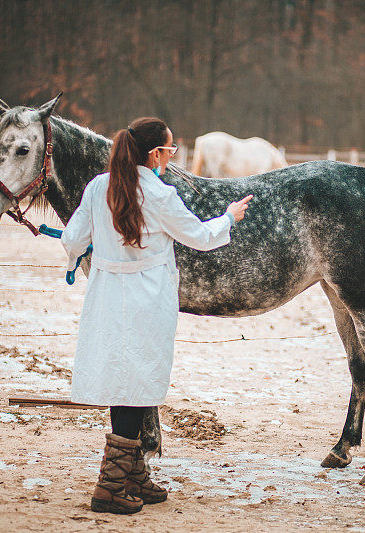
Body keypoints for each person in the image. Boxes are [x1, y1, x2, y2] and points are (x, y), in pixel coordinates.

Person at [62, 117, 252, 514]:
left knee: (124, 378)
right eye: (169, 150)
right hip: (147, 300)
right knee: (136, 381)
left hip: (109, 297)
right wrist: (229, 218)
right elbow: (199, 237)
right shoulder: (161, 196)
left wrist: (88, 247)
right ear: (154, 154)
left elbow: (73, 240)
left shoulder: (99, 187)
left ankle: (132, 476)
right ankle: (111, 485)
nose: (171, 157)